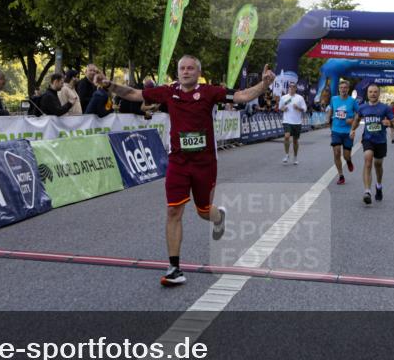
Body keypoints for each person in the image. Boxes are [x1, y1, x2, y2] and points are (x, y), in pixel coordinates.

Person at [102, 56, 276, 287]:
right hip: (178, 162)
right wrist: (108, 85)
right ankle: (174, 267)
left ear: (198, 72)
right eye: (182, 68)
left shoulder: (210, 92)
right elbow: (134, 94)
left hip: (205, 164)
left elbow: (243, 96)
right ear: (178, 72)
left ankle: (218, 216)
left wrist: (264, 85)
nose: (186, 72)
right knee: (173, 211)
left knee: (203, 212)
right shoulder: (168, 91)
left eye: (190, 68)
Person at [350, 84, 394, 205]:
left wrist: (390, 124)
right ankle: (367, 191)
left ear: (379, 93)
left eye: (375, 92)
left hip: (381, 141)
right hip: (368, 139)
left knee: (378, 164)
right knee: (368, 161)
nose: (373, 94)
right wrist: (353, 130)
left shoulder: (385, 108)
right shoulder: (362, 107)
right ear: (367, 94)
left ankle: (379, 185)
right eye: (370, 92)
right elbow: (356, 119)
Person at [327, 80, 358, 185]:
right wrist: (328, 120)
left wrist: (353, 120)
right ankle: (341, 175)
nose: (343, 89)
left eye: (345, 88)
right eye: (341, 88)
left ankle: (348, 161)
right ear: (339, 89)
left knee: (346, 155)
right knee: (336, 152)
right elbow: (331, 110)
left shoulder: (352, 101)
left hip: (347, 132)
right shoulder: (334, 99)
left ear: (348, 89)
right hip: (336, 130)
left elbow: (359, 114)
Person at [278, 81, 307, 165]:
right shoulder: (284, 97)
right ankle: (287, 155)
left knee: (295, 141)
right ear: (288, 88)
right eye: (290, 87)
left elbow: (305, 109)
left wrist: (298, 108)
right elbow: (280, 108)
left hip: (297, 122)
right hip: (287, 121)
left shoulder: (300, 98)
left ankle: (295, 157)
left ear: (296, 88)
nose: (291, 88)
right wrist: (283, 109)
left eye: (293, 87)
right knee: (287, 136)